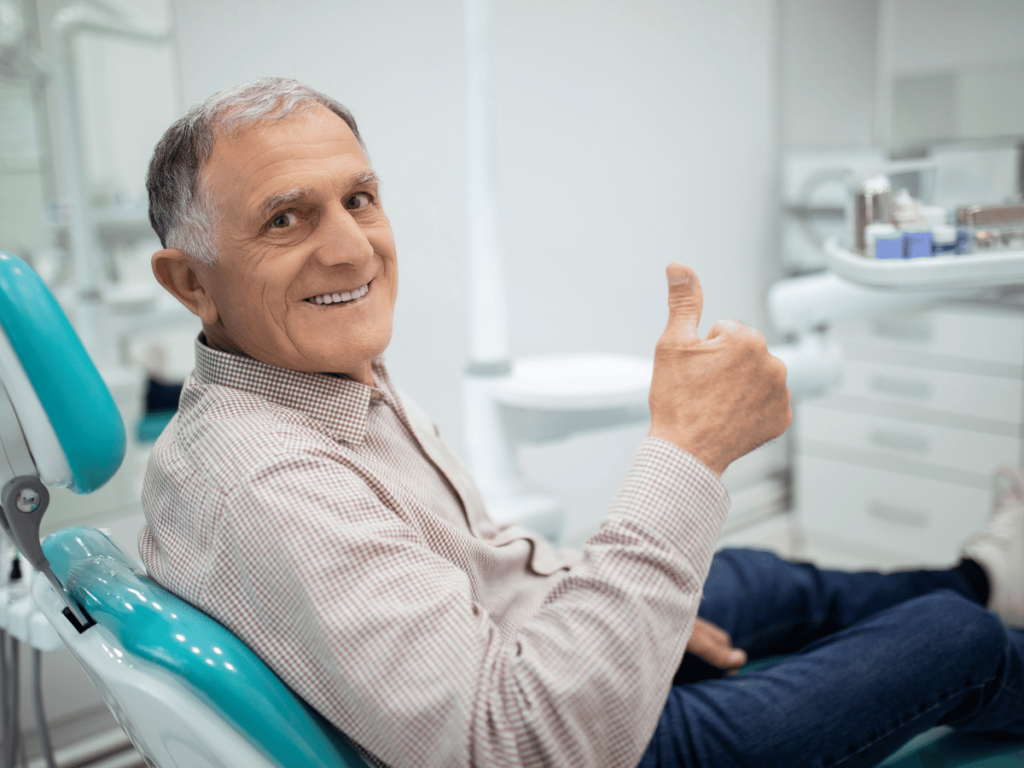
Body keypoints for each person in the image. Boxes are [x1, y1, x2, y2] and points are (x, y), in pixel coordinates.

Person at [139, 77, 1024, 768]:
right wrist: (688, 448)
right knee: (951, 643)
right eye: (285, 218)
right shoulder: (267, 479)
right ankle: (982, 616)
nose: (350, 248)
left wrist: (632, 622)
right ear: (190, 282)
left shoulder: (310, 380)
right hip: (580, 747)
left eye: (359, 199)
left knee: (757, 579)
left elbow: (485, 575)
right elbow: (526, 751)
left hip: (528, 664)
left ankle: (984, 572)